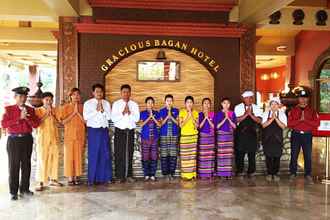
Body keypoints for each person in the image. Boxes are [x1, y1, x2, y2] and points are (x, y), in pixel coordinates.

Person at [1, 87, 39, 200]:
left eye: (24, 96)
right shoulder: (9, 109)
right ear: (15, 97)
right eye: (20, 96)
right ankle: (13, 192)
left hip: (27, 139)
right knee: (14, 166)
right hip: (14, 140)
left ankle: (24, 189)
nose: (23, 99)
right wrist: (19, 118)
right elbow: (3, 124)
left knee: (26, 165)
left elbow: (36, 124)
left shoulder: (31, 110)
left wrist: (27, 118)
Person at [83, 84, 112, 185]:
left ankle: (105, 178)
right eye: (97, 91)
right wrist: (96, 110)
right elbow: (86, 117)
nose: (99, 93)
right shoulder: (88, 103)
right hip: (93, 131)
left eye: (101, 92)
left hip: (103, 130)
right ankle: (92, 179)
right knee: (94, 154)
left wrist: (103, 110)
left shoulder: (106, 103)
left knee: (105, 154)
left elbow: (109, 117)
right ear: (93, 93)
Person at [288, 89, 319, 183]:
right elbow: (290, 124)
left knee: (308, 155)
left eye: (305, 98)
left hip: (307, 135)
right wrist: (299, 120)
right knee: (294, 155)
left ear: (308, 99)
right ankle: (292, 173)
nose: (303, 100)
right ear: (298, 99)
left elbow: (316, 123)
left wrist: (305, 120)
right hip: (296, 135)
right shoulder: (293, 110)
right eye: (301, 98)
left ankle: (308, 174)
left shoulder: (312, 111)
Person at [35, 92, 63, 191]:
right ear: (42, 100)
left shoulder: (56, 110)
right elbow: (37, 124)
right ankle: (40, 181)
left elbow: (59, 123)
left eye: (50, 100)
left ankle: (53, 179)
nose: (49, 102)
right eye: (46, 100)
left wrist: (53, 114)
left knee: (54, 158)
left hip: (54, 138)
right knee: (42, 159)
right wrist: (46, 114)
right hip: (43, 138)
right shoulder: (38, 110)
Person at [111, 84, 139, 183]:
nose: (126, 94)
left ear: (130, 93)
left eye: (128, 92)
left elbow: (137, 119)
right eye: (124, 92)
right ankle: (119, 176)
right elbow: (113, 118)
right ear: (121, 93)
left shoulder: (134, 104)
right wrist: (122, 113)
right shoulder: (116, 104)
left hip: (130, 131)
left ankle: (129, 175)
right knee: (119, 154)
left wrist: (130, 112)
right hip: (119, 131)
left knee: (129, 153)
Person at [59, 88, 86, 185]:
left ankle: (77, 176)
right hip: (69, 136)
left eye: (78, 94)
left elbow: (86, 122)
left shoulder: (83, 107)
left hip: (80, 135)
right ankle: (70, 178)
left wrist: (78, 113)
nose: (76, 96)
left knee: (78, 156)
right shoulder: (65, 107)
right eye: (74, 94)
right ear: (70, 96)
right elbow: (62, 122)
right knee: (69, 156)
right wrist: (73, 114)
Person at [234, 91, 262, 178]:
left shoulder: (256, 108)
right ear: (243, 99)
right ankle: (240, 171)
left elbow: (259, 120)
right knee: (240, 153)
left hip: (252, 133)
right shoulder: (238, 107)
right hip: (241, 133)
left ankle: (251, 171)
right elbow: (236, 120)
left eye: (251, 98)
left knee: (251, 154)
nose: (249, 100)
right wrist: (246, 114)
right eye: (247, 98)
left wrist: (251, 115)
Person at [261, 97, 287, 182]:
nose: (274, 106)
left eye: (276, 104)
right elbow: (263, 125)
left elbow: (283, 126)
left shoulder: (282, 114)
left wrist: (276, 118)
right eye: (272, 104)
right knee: (268, 156)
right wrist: (272, 119)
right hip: (268, 138)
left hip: (278, 139)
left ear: (278, 105)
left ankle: (275, 174)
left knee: (277, 157)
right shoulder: (265, 113)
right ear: (270, 105)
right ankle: (269, 173)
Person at [214, 97, 237, 179]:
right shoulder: (218, 114)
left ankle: (228, 173)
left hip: (229, 137)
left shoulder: (232, 113)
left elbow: (234, 126)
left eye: (228, 103)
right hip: (221, 137)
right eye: (224, 103)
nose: (226, 105)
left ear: (230, 104)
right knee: (221, 155)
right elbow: (217, 126)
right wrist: (225, 118)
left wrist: (229, 119)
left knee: (228, 155)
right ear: (222, 104)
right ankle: (221, 173)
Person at [139, 97, 160, 181]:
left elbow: (159, 124)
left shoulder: (157, 113)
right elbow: (141, 124)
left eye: (152, 103)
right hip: (145, 138)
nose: (150, 104)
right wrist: (149, 117)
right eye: (148, 103)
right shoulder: (142, 113)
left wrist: (153, 117)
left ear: (153, 104)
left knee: (154, 157)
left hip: (154, 138)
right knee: (145, 157)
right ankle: (146, 174)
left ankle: (152, 174)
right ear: (146, 104)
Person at [159, 94, 179, 181]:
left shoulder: (176, 110)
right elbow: (160, 124)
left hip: (174, 135)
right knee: (164, 155)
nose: (169, 102)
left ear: (173, 102)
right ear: (165, 102)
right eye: (167, 101)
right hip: (164, 135)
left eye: (171, 101)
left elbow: (178, 123)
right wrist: (167, 116)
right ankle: (165, 173)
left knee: (173, 155)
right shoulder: (161, 111)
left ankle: (172, 173)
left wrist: (171, 115)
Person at [179, 96, 199, 180]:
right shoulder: (182, 112)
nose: (189, 104)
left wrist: (192, 116)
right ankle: (185, 175)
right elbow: (181, 125)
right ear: (185, 103)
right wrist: (188, 115)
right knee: (185, 157)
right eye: (188, 102)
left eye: (191, 102)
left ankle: (193, 174)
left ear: (193, 103)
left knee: (192, 157)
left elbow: (197, 126)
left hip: (193, 137)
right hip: (184, 137)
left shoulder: (196, 113)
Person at [197, 98, 215, 179]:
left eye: (208, 103)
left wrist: (208, 117)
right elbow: (199, 127)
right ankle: (202, 174)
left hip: (211, 137)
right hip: (203, 137)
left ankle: (210, 173)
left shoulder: (213, 114)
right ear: (202, 105)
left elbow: (214, 126)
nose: (206, 105)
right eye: (205, 103)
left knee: (210, 155)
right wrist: (205, 117)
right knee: (202, 156)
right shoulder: (200, 114)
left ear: (210, 105)